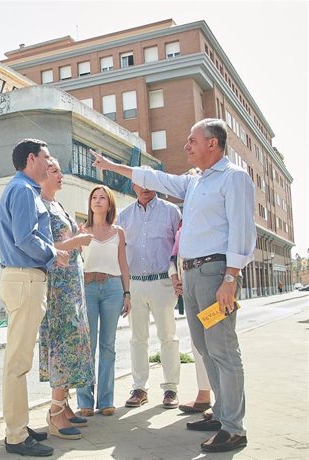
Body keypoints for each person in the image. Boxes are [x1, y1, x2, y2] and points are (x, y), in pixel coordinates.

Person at [89, 118, 256, 453]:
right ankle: (221, 413)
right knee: (205, 347)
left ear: (213, 143)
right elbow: (156, 177)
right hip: (193, 275)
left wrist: (230, 278)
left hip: (215, 274)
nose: (186, 147)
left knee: (223, 348)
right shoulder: (194, 182)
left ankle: (234, 428)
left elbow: (242, 230)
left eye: (192, 140)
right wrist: (111, 166)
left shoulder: (234, 178)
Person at [0, 138, 69, 457]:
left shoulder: (21, 189)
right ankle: (15, 436)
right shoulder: (24, 191)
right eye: (46, 156)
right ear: (31, 159)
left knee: (19, 361)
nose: (50, 161)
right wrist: (54, 253)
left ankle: (19, 427)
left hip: (23, 278)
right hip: (25, 278)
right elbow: (26, 238)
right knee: (17, 363)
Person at [38, 158, 94, 440]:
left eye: (60, 169)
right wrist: (76, 242)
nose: (60, 174)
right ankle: (55, 410)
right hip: (59, 286)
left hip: (73, 284)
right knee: (62, 342)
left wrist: (78, 236)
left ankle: (66, 404)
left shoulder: (58, 205)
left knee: (74, 341)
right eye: (54, 170)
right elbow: (46, 247)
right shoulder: (41, 206)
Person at [116, 181, 182, 410]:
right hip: (135, 284)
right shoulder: (123, 216)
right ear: (133, 185)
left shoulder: (171, 212)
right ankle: (139, 388)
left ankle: (171, 388)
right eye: (140, 183)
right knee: (137, 339)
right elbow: (118, 252)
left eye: (150, 182)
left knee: (168, 337)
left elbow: (179, 248)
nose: (145, 187)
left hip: (163, 282)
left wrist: (177, 277)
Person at [75, 185, 131, 417]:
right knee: (87, 345)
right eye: (94, 197)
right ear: (90, 204)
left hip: (113, 289)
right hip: (87, 289)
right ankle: (85, 401)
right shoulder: (82, 231)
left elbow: (123, 264)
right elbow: (76, 263)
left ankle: (106, 400)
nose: (97, 201)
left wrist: (127, 294)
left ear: (109, 204)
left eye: (102, 198)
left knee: (108, 345)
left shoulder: (118, 232)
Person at [171, 224, 213, 414]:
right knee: (198, 345)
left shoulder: (211, 216)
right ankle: (204, 394)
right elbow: (174, 255)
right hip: (189, 285)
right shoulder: (183, 225)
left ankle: (224, 403)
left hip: (211, 282)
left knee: (217, 344)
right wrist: (175, 276)